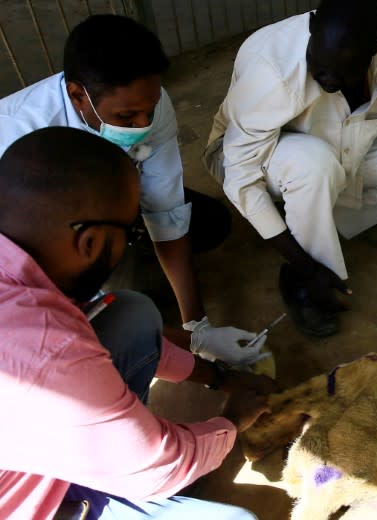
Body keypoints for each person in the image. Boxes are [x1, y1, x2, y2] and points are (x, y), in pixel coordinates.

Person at [0, 127, 277, 520]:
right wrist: (232, 421)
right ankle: (94, 487)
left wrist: (218, 374)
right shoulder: (49, 355)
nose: (130, 244)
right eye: (130, 235)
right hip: (26, 505)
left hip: (23, 445)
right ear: (90, 243)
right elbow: (157, 469)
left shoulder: (18, 272)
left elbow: (97, 324)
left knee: (130, 313)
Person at [0, 14, 260, 367]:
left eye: (148, 112)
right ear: (78, 96)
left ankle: (134, 269)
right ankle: (124, 276)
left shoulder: (150, 103)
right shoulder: (19, 136)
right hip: (31, 243)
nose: (142, 125)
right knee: (117, 321)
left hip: (107, 206)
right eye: (126, 117)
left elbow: (165, 206)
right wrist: (189, 348)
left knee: (210, 224)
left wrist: (197, 325)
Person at [204, 0, 377, 337]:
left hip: (332, 150)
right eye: (320, 65)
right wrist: (301, 261)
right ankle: (302, 278)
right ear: (312, 29)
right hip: (252, 159)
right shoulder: (272, 71)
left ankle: (310, 218)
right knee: (313, 166)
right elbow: (239, 175)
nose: (328, 77)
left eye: (344, 70)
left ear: (375, 50)